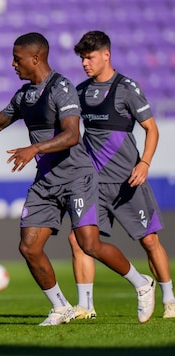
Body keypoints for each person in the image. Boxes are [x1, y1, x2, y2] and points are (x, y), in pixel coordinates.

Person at [0, 32, 155, 325]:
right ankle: (60, 307)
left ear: (35, 58)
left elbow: (72, 135)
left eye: (17, 59)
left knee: (89, 244)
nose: (13, 64)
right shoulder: (24, 95)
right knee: (29, 247)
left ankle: (142, 283)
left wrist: (35, 148)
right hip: (46, 182)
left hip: (76, 177)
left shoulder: (62, 88)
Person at [68, 30, 175, 320]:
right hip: (93, 183)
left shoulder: (127, 88)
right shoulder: (80, 92)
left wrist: (145, 163)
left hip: (128, 181)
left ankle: (169, 299)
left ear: (106, 55)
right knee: (78, 241)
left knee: (149, 241)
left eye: (89, 57)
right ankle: (86, 306)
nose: (85, 64)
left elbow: (151, 129)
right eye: (82, 58)